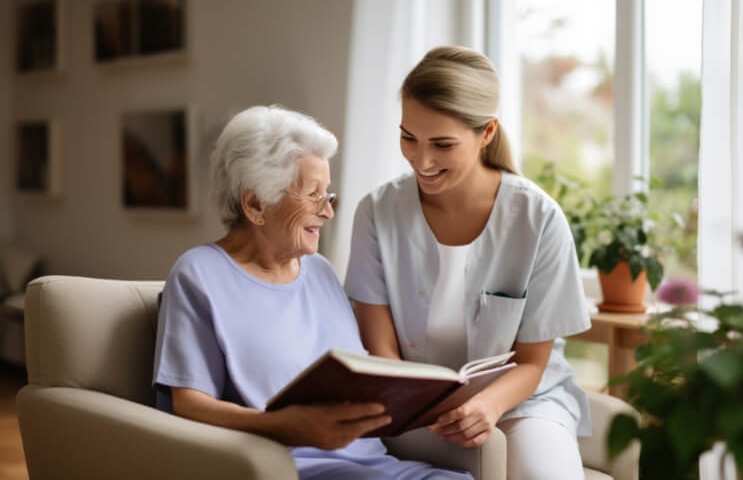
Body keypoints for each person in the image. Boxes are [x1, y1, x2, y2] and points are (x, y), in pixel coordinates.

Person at [152, 105, 472, 480]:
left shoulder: (320, 272)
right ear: (255, 204)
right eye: (313, 195)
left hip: (377, 464)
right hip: (289, 468)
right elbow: (187, 404)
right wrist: (283, 425)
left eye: (328, 194)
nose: (328, 212)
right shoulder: (198, 274)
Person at [345, 46, 592, 480]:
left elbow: (533, 363)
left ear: (487, 133)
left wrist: (488, 405)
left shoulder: (538, 219)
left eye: (442, 144)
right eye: (408, 137)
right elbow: (380, 352)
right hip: (412, 406)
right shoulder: (375, 213)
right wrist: (422, 408)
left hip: (521, 404)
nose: (422, 161)